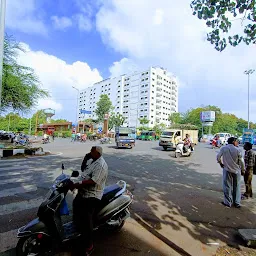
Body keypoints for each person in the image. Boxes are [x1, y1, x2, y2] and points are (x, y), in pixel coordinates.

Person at [70, 146, 108, 255]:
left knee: (86, 219)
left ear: (97, 153)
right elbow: (83, 170)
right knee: (76, 205)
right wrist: (85, 158)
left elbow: (93, 181)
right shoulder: (92, 161)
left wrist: (78, 184)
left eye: (91, 151)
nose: (90, 152)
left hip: (92, 195)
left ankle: (89, 245)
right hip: (83, 192)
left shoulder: (100, 165)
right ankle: (77, 231)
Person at [217, 137, 245, 208]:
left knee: (227, 186)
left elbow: (218, 157)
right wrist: (243, 169)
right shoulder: (238, 149)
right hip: (237, 170)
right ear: (233, 142)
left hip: (227, 169)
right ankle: (237, 203)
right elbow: (241, 161)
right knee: (237, 186)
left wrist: (221, 163)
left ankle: (228, 202)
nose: (237, 142)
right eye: (236, 141)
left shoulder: (224, 148)